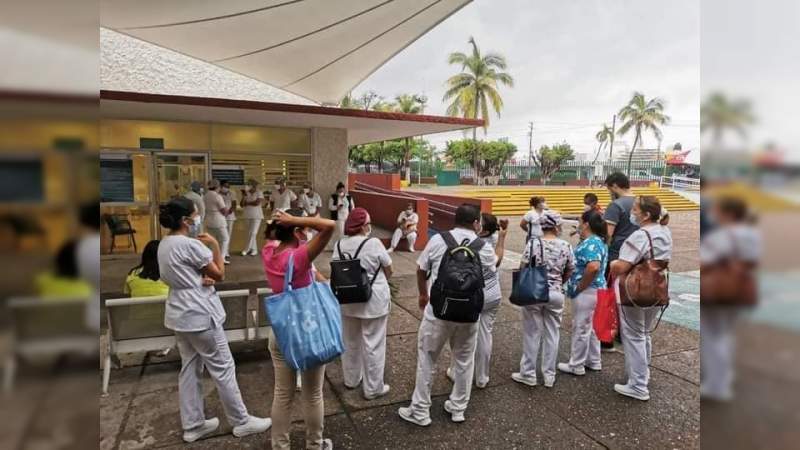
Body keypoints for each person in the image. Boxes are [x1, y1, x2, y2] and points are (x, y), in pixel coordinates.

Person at [157, 197, 271, 443]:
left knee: (190, 368)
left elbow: (182, 274)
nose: (198, 219)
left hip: (179, 313)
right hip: (200, 314)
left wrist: (199, 279)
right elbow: (219, 274)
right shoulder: (191, 245)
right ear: (185, 220)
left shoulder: (164, 244)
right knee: (223, 367)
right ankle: (241, 421)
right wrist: (216, 246)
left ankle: (193, 424)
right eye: (195, 215)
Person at [398, 204, 497, 426]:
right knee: (464, 360)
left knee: (427, 357)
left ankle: (420, 411)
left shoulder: (438, 240)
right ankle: (458, 408)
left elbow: (421, 269)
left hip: (439, 310)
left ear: (456, 219)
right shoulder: (483, 246)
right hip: (469, 313)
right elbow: (491, 270)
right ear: (476, 223)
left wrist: (423, 295)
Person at [262, 208, 336, 450]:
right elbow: (329, 226)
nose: (308, 231)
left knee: (283, 394)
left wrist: (290, 223)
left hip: (280, 332)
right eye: (305, 227)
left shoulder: (269, 251)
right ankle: (314, 445)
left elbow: (278, 237)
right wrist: (294, 219)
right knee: (313, 394)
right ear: (296, 230)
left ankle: (280, 446)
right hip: (307, 333)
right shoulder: (299, 258)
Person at [609, 195, 672, 401]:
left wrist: (612, 264)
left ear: (645, 215)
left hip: (636, 289)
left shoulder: (640, 235)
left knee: (634, 335)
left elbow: (622, 266)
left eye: (635, 209)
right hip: (657, 287)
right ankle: (642, 376)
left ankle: (638, 385)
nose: (632, 212)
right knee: (644, 333)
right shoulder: (664, 231)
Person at [700, 196, 759, 402]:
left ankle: (717, 385)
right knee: (726, 334)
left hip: (719, 289)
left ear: (728, 214)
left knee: (713, 336)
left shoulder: (722, 235)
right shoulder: (752, 233)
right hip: (741, 287)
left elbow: (704, 261)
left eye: (718, 210)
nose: (714, 214)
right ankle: (726, 375)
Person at [332, 207, 393, 400]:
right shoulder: (373, 243)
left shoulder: (339, 244)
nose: (370, 226)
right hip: (373, 301)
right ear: (362, 226)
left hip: (347, 301)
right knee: (373, 344)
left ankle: (351, 380)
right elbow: (389, 269)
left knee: (350, 342)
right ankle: (373, 388)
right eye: (368, 223)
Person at [512, 210, 574, 388]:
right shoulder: (566, 245)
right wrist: (559, 282)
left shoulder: (533, 244)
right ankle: (549, 375)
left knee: (532, 333)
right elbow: (570, 269)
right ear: (555, 227)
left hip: (534, 292)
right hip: (556, 293)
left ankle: (528, 374)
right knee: (552, 333)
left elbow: (523, 266)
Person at [447, 213, 508, 389]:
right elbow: (498, 259)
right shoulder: (494, 240)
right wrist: (502, 237)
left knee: (462, 336)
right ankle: (482, 377)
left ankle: (456, 372)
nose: (475, 223)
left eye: (478, 222)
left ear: (483, 230)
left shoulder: (476, 245)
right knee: (485, 334)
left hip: (473, 295)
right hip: (493, 293)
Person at [557, 210, 608, 376]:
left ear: (586, 224)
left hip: (588, 290)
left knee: (581, 326)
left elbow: (593, 266)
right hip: (597, 289)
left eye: (579, 221)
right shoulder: (598, 241)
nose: (578, 225)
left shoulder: (591, 242)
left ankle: (576, 364)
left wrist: (580, 286)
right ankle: (593, 360)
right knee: (591, 327)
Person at [603, 172, 639, 263]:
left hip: (618, 253)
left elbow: (608, 234)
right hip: (638, 250)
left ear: (615, 186)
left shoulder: (616, 205)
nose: (610, 193)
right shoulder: (641, 202)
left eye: (609, 189)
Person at [204, 179, 231, 265]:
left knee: (212, 240)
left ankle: (211, 258)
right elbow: (223, 210)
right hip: (218, 221)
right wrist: (227, 212)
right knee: (225, 239)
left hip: (208, 220)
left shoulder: (205, 195)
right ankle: (221, 259)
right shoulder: (217, 196)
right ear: (217, 187)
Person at [241, 178, 264, 256]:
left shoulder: (259, 192)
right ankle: (254, 250)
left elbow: (257, 203)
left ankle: (246, 249)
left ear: (253, 185)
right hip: (247, 215)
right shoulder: (246, 193)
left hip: (257, 215)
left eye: (248, 184)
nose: (246, 186)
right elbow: (242, 204)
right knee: (249, 233)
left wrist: (247, 203)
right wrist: (244, 196)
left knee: (253, 233)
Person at [328, 182, 354, 247]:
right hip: (338, 218)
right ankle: (338, 246)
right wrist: (337, 207)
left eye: (342, 191)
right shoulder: (333, 197)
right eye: (339, 191)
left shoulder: (348, 197)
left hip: (347, 217)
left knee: (346, 233)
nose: (341, 192)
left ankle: (345, 246)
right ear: (337, 191)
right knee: (340, 232)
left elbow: (352, 207)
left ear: (344, 190)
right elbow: (330, 207)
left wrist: (351, 215)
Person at [219, 180, 237, 260]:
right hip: (220, 216)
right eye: (225, 186)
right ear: (221, 186)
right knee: (222, 235)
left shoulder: (232, 193)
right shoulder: (217, 194)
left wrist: (229, 211)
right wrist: (223, 212)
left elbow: (234, 204)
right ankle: (221, 251)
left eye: (228, 186)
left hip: (230, 216)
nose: (227, 188)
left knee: (228, 234)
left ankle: (226, 251)